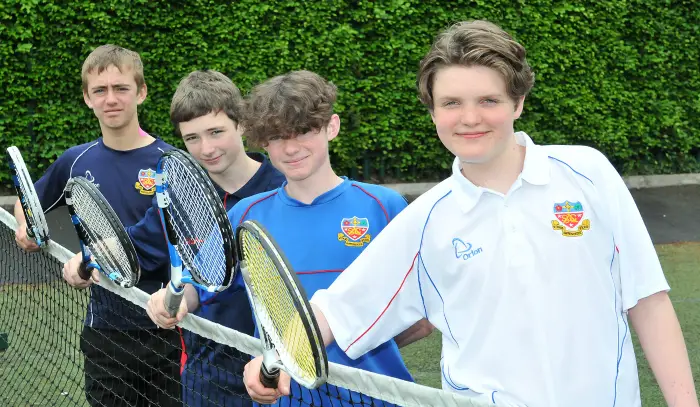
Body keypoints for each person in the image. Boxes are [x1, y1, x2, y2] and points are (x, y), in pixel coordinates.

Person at [243, 21, 699, 407]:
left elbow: (647, 300)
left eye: (488, 101)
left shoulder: (588, 171)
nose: (469, 119)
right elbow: (337, 312)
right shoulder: (424, 220)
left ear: (517, 103)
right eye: (451, 103)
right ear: (433, 113)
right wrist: (277, 353)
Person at [149, 70, 433, 407]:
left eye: (304, 131)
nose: (291, 147)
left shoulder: (383, 207)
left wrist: (345, 351)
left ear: (332, 126)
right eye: (277, 137)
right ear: (264, 143)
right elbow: (200, 285)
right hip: (285, 400)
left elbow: (422, 316)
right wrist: (174, 299)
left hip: (377, 398)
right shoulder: (245, 216)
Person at [14, 44, 181, 407]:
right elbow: (27, 204)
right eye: (100, 91)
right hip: (106, 331)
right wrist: (25, 225)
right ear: (87, 98)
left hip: (173, 329)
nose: (111, 99)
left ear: (141, 92)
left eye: (121, 88)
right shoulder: (75, 161)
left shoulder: (172, 162)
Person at [123, 69, 284, 406]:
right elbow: (132, 248)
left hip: (280, 374)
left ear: (241, 124)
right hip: (207, 377)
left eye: (216, 132)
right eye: (192, 138)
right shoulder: (179, 196)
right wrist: (92, 252)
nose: (206, 148)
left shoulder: (283, 188)